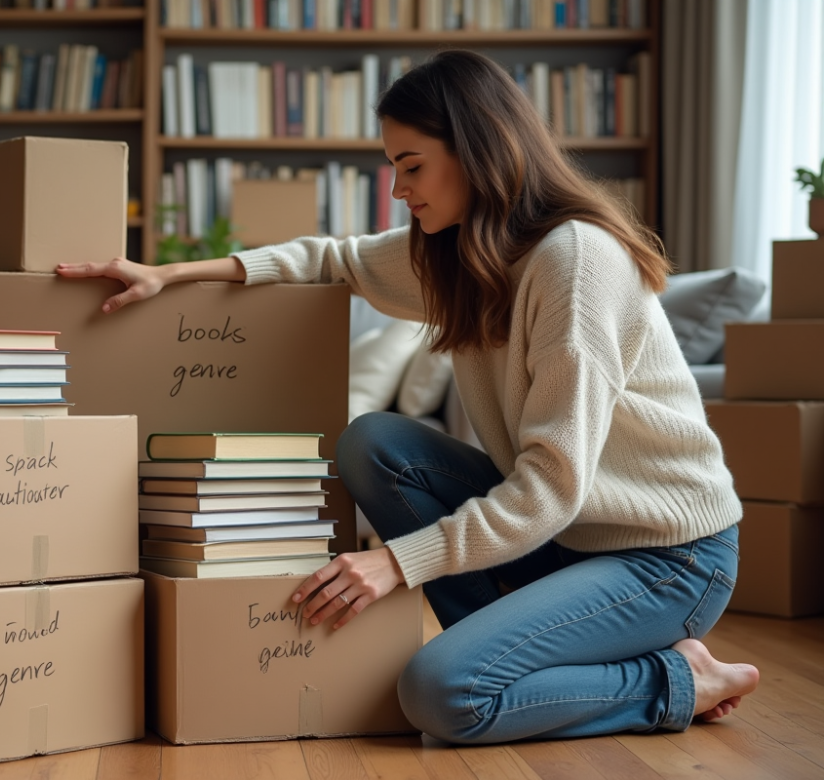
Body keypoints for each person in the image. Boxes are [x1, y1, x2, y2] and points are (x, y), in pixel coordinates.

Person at [56, 49, 760, 744]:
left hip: (667, 559)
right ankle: (517, 651)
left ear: (479, 152)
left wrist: (394, 563)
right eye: (395, 167)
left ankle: (677, 678)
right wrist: (168, 276)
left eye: (412, 166)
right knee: (375, 443)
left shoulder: (575, 263)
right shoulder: (458, 251)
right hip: (569, 540)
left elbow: (550, 488)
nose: (398, 189)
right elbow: (332, 260)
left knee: (441, 692)